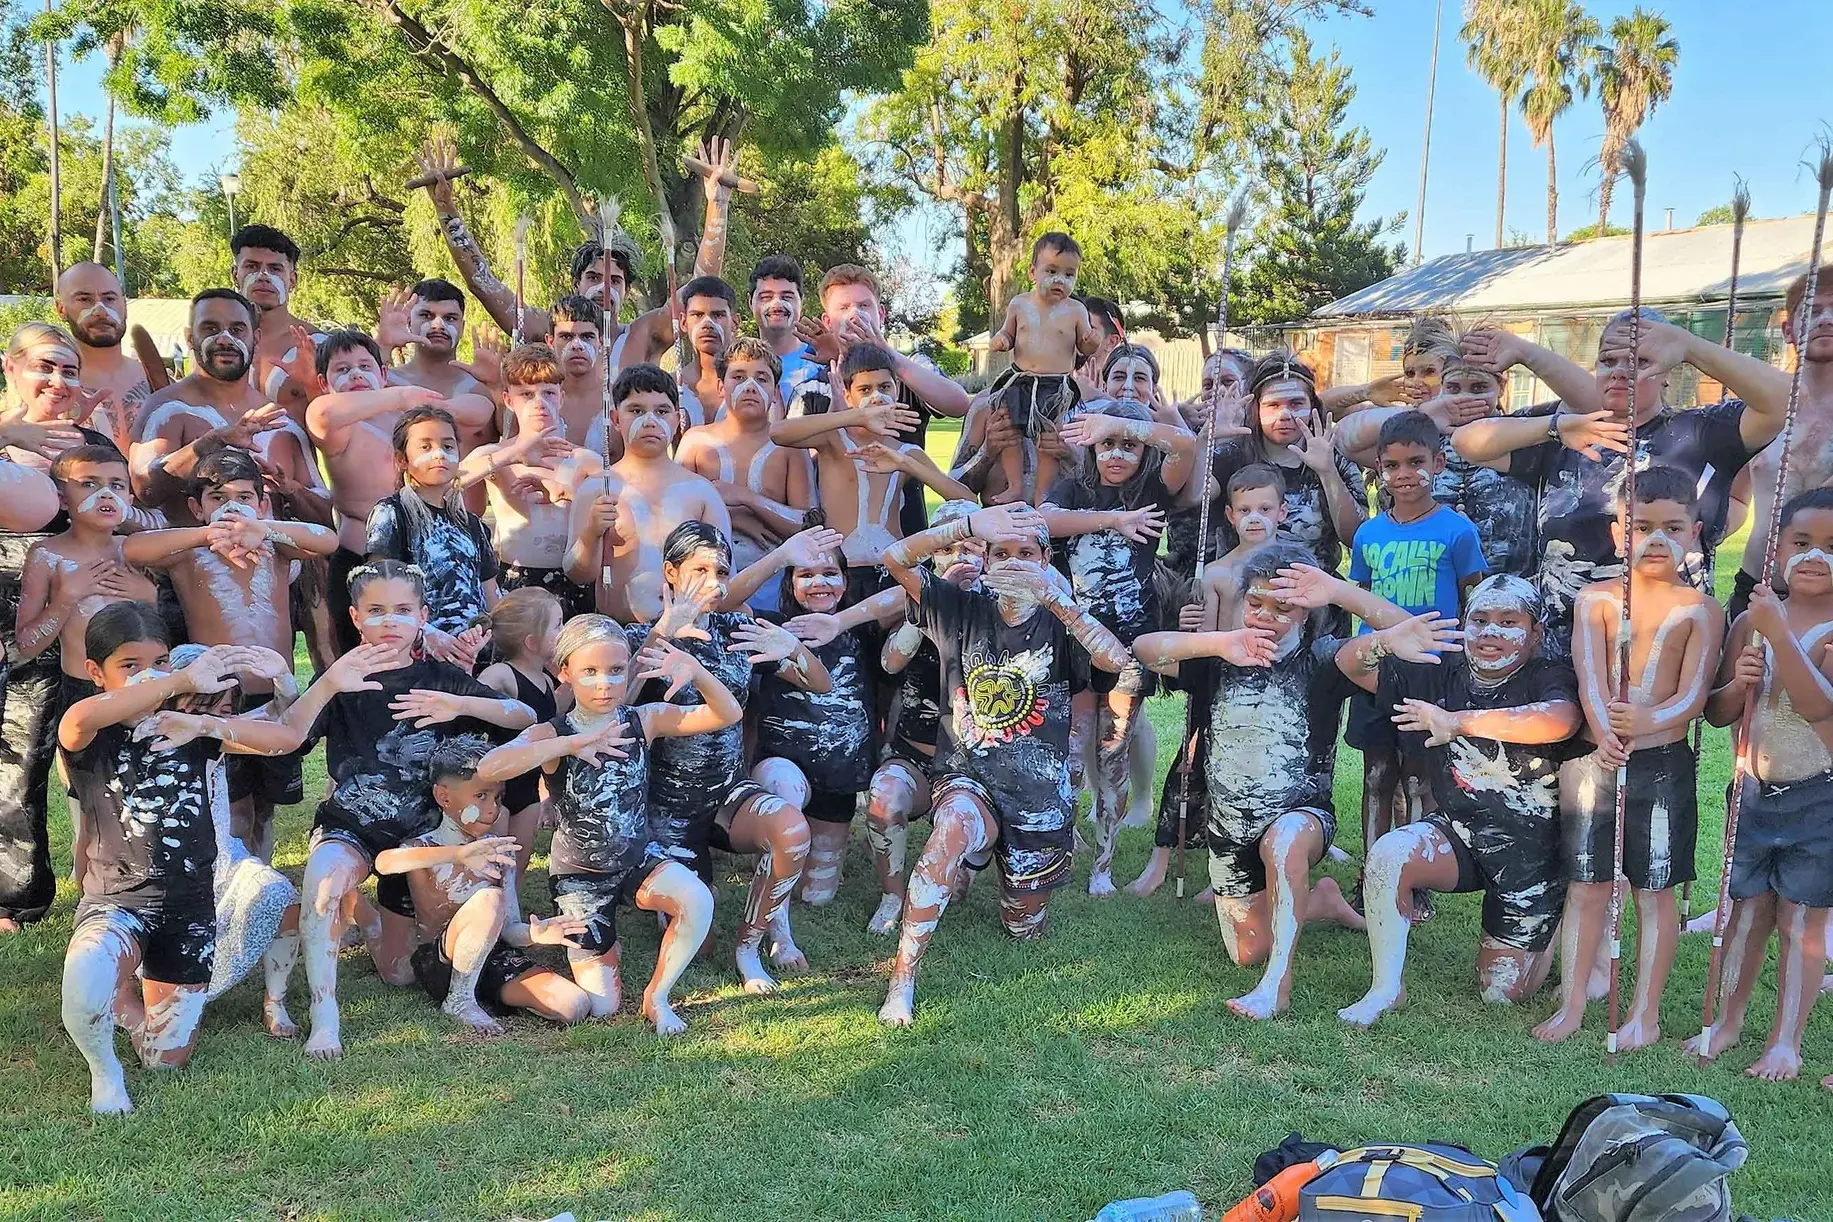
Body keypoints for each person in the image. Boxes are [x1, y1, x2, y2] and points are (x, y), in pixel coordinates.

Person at [1132, 545, 1460, 1020]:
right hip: (1230, 831)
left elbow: (1406, 637)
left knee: (1284, 841)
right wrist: (1218, 643)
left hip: (1302, 815)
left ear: (1307, 612)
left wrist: (1340, 591)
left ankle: (1275, 988)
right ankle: (1321, 899)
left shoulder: (1326, 660)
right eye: (1256, 603)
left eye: (1283, 607)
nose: (1267, 616)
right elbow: (1144, 648)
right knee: (1247, 951)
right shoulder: (1219, 655)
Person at [876, 502, 1131, 1027]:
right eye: (1002, 554)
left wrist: (1057, 599)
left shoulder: (1063, 619)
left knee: (1022, 927)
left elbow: (1115, 661)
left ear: (1045, 559)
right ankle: (902, 978)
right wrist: (966, 526)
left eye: (1027, 554)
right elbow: (895, 558)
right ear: (986, 559)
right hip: (969, 774)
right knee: (953, 826)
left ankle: (995, 871)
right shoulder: (959, 607)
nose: (1014, 563)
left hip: (1038, 798)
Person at [279, 561, 536, 1058]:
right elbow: (289, 737)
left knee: (398, 974)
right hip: (353, 826)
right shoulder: (342, 678)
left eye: (402, 610)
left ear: (423, 616)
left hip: (419, 839)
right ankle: (324, 1016)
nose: (389, 622)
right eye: (376, 611)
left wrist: (461, 705)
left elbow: (523, 716)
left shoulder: (441, 679)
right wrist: (327, 684)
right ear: (355, 618)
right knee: (324, 881)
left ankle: (371, 921)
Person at [57, 604, 298, 1113]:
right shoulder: (91, 732)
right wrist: (178, 679)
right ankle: (105, 1073)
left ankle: (129, 998)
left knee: (167, 1058)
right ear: (94, 673)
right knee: (84, 977)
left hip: (189, 908)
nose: (149, 673)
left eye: (160, 661)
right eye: (130, 665)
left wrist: (285, 683)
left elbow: (284, 735)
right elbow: (78, 718)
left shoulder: (190, 727)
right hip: (116, 900)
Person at [1452, 309, 1791, 655]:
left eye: (1640, 361)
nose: (1620, 372)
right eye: (1607, 361)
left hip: (1662, 653)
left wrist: (1689, 346)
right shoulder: (1568, 432)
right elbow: (1466, 442)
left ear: (1667, 374)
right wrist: (1554, 427)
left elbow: (1785, 400)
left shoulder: (1702, 432)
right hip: (1560, 654)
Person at [1323, 574, 1582, 1026]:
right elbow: (1351, 666)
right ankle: (1386, 987)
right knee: (1389, 853)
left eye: (1509, 621)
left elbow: (1559, 720)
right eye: (1480, 620)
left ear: (1535, 633)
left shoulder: (1547, 674)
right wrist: (1384, 639)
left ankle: (1553, 922)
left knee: (1501, 994)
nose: (1492, 634)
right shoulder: (1444, 668)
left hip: (1531, 858)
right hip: (1459, 833)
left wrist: (1459, 722)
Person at [1534, 466, 1723, 1049]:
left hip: (1661, 765)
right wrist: (1600, 726)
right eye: (1642, 527)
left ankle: (1645, 1012)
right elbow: (1589, 676)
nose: (1656, 540)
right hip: (1596, 761)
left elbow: (1692, 695)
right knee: (1586, 884)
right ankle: (1571, 1005)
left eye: (1671, 527)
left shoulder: (1701, 610)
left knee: (1654, 888)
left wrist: (1648, 721)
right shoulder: (1597, 600)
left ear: (1694, 532)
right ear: (1621, 532)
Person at [476, 617, 736, 1034]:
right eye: (590, 672)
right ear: (566, 673)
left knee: (698, 899)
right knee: (602, 1008)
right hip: (582, 875)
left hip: (638, 857)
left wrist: (698, 671)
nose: (605, 684)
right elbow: (489, 766)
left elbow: (726, 713)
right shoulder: (553, 731)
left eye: (616, 671)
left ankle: (658, 996)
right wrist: (570, 744)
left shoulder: (643, 720)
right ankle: (598, 940)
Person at [628, 521, 827, 993]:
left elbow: (821, 684)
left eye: (721, 571)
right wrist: (662, 634)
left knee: (791, 829)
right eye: (700, 570)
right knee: (700, 940)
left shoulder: (737, 629)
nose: (715, 583)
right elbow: (614, 709)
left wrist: (794, 648)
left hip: (727, 792)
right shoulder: (639, 636)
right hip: (667, 809)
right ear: (671, 573)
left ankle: (752, 947)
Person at [120, 448, 337, 857]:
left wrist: (266, 530)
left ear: (262, 502)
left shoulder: (276, 549)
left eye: (244, 497)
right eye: (218, 499)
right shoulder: (188, 554)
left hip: (275, 694)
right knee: (233, 805)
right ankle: (233, 880)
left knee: (266, 802)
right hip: (220, 699)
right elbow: (132, 549)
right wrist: (206, 535)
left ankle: (263, 871)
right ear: (195, 508)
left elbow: (328, 539)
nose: (233, 507)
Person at [1692, 489, 1833, 1082]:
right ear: (1776, 550)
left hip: (1818, 794)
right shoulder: (1750, 619)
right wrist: (1737, 681)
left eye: (1830, 546)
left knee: (1800, 921)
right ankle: (1727, 1021)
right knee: (1745, 913)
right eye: (1801, 544)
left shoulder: (1797, 626)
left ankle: (1786, 1040)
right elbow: (1719, 712)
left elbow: (1818, 707)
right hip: (1751, 789)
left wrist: (1777, 635)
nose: (1814, 557)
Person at [1041, 398, 1199, 895]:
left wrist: (1120, 421)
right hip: (1076, 640)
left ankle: (1103, 866)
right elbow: (1045, 521)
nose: (1116, 454)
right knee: (1068, 754)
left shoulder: (1150, 489)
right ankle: (1059, 846)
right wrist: (1111, 522)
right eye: (1106, 443)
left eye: (1128, 445)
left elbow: (1186, 444)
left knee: (1113, 751)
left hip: (1130, 645)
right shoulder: (1074, 487)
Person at [415, 132, 740, 359]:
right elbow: (483, 283)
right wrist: (446, 209)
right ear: (575, 283)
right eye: (594, 278)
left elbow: (700, 288)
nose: (603, 288)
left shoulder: (644, 336)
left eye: (615, 281)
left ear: (627, 290)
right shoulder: (548, 329)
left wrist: (718, 204)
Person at [1129, 463, 1287, 899]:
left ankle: (1238, 867)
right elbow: (1208, 639)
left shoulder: (1291, 569)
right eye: (1245, 509)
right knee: (1190, 765)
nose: (1255, 517)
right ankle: (1160, 859)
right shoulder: (1216, 572)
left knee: (1251, 774)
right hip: (1219, 681)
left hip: (1272, 685)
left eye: (1265, 508)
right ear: (1231, 516)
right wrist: (1190, 624)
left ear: (1282, 512)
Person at [1344, 411, 1487, 875]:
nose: (1404, 475)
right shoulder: (1369, 533)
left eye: (1415, 462)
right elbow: (1360, 598)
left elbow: (1473, 600)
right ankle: (1371, 873)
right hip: (1378, 668)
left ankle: (1414, 874)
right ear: (1379, 470)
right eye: (1392, 466)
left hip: (1432, 668)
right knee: (1377, 773)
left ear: (1439, 463)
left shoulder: (1457, 530)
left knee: (1418, 776)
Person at [375, 737, 593, 1034]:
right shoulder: (424, 847)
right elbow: (385, 863)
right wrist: (458, 855)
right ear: (444, 797)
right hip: (441, 963)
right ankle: (459, 999)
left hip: (494, 957)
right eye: (481, 796)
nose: (493, 808)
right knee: (489, 898)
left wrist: (535, 934)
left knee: (574, 1005)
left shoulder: (498, 850)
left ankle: (484, 992)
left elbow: (510, 929)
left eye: (498, 797)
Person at [743, 515, 885, 917]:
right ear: (789, 583)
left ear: (845, 580)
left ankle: (791, 851)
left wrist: (842, 620)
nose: (819, 582)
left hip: (840, 779)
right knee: (784, 827)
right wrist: (778, 556)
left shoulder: (861, 628)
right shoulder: (772, 629)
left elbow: (907, 596)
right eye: (805, 574)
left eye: (829, 572)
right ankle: (773, 852)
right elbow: (729, 598)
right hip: (783, 768)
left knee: (816, 895)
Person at [860, 498, 983, 935]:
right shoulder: (918, 599)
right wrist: (930, 605)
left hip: (977, 764)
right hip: (914, 754)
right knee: (883, 798)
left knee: (960, 886)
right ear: (932, 556)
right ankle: (892, 894)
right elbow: (891, 663)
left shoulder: (1001, 607)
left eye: (973, 548)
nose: (962, 558)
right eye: (949, 549)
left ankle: (974, 859)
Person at [770, 342, 974, 599]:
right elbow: (778, 433)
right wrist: (853, 417)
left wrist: (906, 465)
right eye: (864, 389)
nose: (877, 397)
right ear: (847, 395)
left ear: (897, 390)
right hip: (843, 573)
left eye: (885, 387)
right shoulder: (833, 440)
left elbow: (966, 500)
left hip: (894, 572)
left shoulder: (907, 452)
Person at [788, 264, 970, 536]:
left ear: (881, 313)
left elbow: (958, 404)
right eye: (843, 308)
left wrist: (886, 353)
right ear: (828, 321)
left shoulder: (909, 370)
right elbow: (794, 453)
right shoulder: (812, 387)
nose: (855, 315)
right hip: (834, 545)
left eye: (864, 305)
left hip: (907, 531)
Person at [305, 331, 452, 652]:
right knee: (368, 667)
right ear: (322, 382)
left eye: (364, 366)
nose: (355, 374)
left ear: (383, 373)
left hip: (422, 561)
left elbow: (477, 409)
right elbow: (322, 413)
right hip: (359, 561)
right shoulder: (337, 428)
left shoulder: (409, 422)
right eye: (342, 370)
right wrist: (399, 395)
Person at [564, 363, 731, 624]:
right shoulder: (597, 489)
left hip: (686, 634)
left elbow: (723, 575)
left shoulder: (701, 493)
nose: (650, 421)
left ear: (677, 421)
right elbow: (577, 574)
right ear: (616, 419)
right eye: (636, 410)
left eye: (662, 411)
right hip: (617, 636)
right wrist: (591, 533)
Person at [130, 290, 314, 524]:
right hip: (195, 558)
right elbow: (144, 489)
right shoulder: (167, 410)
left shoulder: (280, 420)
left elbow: (326, 514)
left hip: (272, 559)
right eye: (210, 329)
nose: (225, 339)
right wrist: (212, 442)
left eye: (237, 330)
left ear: (256, 338)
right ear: (189, 338)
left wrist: (291, 489)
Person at [1211, 353, 1365, 626]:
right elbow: (1191, 499)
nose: (1285, 415)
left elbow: (1355, 537)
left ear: (1313, 406)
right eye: (1273, 405)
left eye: (1296, 403)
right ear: (1256, 409)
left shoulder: (1334, 457)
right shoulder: (1232, 456)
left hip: (1318, 610)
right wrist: (1209, 442)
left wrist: (1327, 472)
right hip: (1249, 606)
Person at [459, 343, 603, 620]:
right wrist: (511, 454)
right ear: (508, 400)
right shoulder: (493, 457)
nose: (539, 403)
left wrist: (567, 493)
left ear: (562, 397)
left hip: (574, 580)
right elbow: (450, 482)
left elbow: (623, 511)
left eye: (548, 392)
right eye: (526, 394)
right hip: (513, 579)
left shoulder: (585, 460)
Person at [16, 446, 160, 711]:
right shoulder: (47, 555)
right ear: (61, 499)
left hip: (143, 687)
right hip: (82, 692)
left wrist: (150, 599)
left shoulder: (135, 550)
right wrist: (65, 599)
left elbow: (155, 639)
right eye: (89, 484)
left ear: (129, 499)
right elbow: (26, 646)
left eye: (116, 485)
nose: (105, 494)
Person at [676, 337, 813, 615]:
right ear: (720, 386)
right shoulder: (695, 442)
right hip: (705, 587)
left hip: (773, 589)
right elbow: (674, 517)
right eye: (738, 377)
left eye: (761, 379)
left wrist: (746, 498)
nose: (750, 386)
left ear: (775, 391)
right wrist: (733, 517)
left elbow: (807, 525)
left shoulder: (789, 448)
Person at [0, 440, 77, 933]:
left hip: (43, 635)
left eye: (69, 369)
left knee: (19, 763)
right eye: (45, 366)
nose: (59, 381)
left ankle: (15, 896)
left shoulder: (88, 441)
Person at [1730, 271, 1833, 620]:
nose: (1827, 319)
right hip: (1758, 587)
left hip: (1828, 599)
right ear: (1788, 330)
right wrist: (1701, 535)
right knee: (1740, 676)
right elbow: (1735, 496)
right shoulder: (1761, 413)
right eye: (1814, 310)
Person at [365, 406, 500, 643]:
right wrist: (429, 636)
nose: (439, 454)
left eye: (448, 446)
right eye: (425, 447)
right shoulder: (392, 512)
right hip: (415, 651)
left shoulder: (473, 526)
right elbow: (377, 592)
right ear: (401, 459)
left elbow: (491, 601)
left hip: (474, 652)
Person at [985, 232, 1098, 503]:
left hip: (1054, 385)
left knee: (1048, 439)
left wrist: (1092, 342)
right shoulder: (1019, 304)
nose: (1061, 280)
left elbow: (1084, 348)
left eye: (1070, 274)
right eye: (1052, 271)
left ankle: (1042, 492)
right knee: (1008, 428)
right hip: (1020, 378)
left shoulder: (1075, 310)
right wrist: (1001, 340)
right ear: (1032, 272)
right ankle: (1014, 485)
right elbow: (1007, 334)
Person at [474, 587, 563, 870]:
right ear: (531, 641)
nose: (563, 632)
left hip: (527, 789)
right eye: (558, 625)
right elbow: (474, 699)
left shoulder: (546, 681)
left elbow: (553, 717)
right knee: (496, 861)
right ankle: (492, 911)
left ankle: (512, 915)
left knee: (519, 860)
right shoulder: (503, 674)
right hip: (496, 786)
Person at [53, 262, 149, 434]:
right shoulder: (50, 387)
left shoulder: (154, 379)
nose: (100, 311)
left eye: (109, 299)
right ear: (61, 310)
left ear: (125, 306)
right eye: (84, 299)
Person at [748, 255, 819, 401]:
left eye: (787, 297)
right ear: (750, 302)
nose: (777, 305)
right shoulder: (736, 367)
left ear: (801, 302)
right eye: (766, 297)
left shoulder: (821, 363)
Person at [675, 276, 739, 428]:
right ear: (684, 323)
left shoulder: (750, 384)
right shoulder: (671, 386)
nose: (707, 324)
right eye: (697, 315)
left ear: (735, 323)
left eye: (718, 315)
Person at [1072, 295, 1126, 401]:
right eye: (1077, 325)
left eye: (1090, 328)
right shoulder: (1055, 380)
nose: (1079, 332)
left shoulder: (1123, 391)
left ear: (1112, 342)